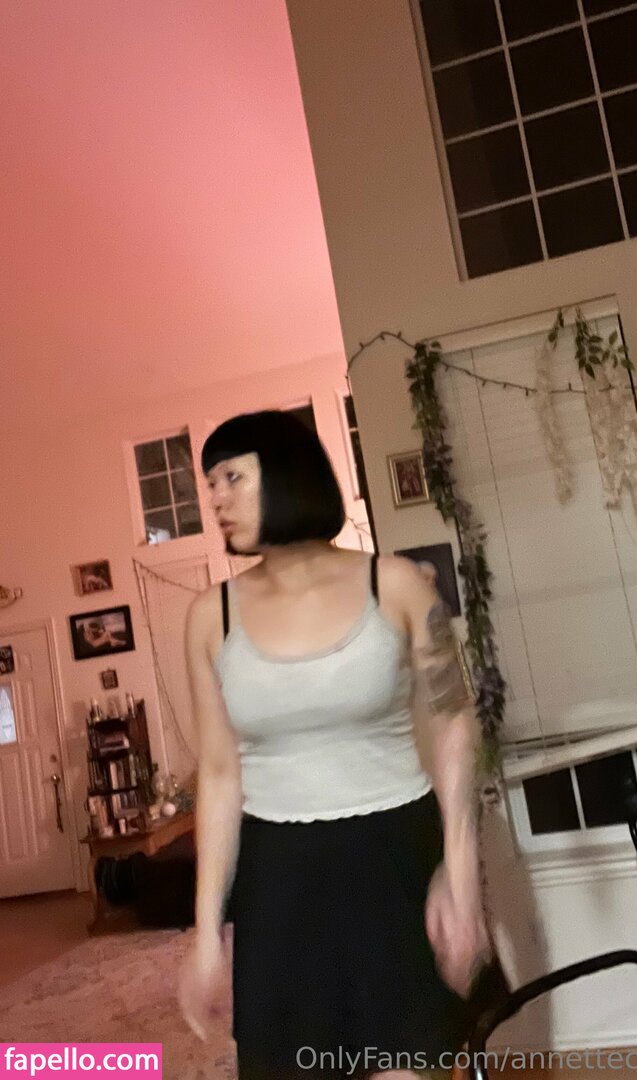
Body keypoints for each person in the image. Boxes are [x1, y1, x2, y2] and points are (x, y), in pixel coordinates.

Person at [178, 410, 494, 1080]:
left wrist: (460, 871)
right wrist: (206, 933)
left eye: (231, 477)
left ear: (288, 472)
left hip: (394, 859)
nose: (217, 500)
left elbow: (455, 724)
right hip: (277, 880)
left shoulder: (396, 584)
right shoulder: (210, 616)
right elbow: (219, 774)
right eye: (210, 486)